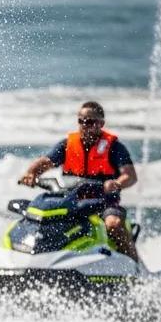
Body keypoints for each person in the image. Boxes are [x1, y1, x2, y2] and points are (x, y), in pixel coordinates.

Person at [18, 100, 139, 262]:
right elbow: (45, 162)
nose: (84, 125)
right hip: (70, 203)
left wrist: (116, 183)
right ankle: (36, 260)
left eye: (89, 121)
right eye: (80, 121)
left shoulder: (114, 147)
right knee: (39, 219)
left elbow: (130, 175)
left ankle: (134, 266)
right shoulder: (67, 145)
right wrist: (31, 173)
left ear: (100, 124)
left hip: (103, 203)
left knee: (114, 224)